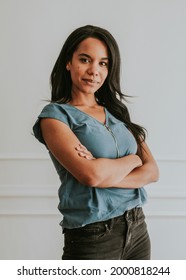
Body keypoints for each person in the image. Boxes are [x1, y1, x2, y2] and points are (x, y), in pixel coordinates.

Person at [33, 25, 159, 260]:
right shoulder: (55, 116)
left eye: (103, 63)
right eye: (85, 59)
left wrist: (106, 174)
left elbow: (151, 172)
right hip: (93, 234)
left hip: (137, 227)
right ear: (68, 62)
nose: (94, 71)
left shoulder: (117, 113)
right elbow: (90, 176)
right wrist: (133, 160)